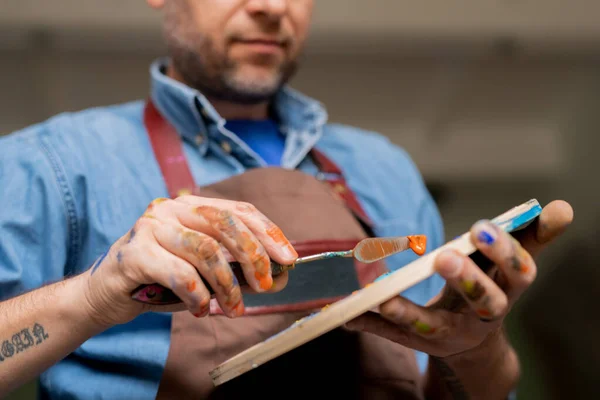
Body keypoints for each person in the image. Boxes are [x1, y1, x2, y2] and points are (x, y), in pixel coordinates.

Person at [0, 1, 573, 399]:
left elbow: (487, 390)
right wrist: (95, 297)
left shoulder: (386, 170)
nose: (272, 5)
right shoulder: (54, 163)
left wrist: (475, 349)